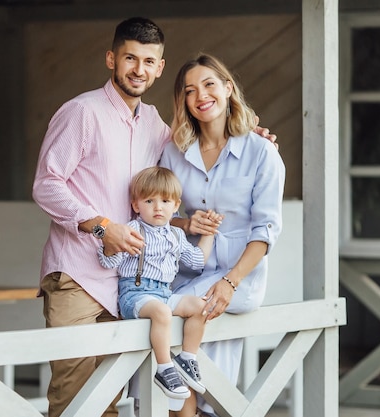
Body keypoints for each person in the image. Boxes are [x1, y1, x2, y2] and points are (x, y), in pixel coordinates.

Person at [33, 16, 275, 417]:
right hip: (78, 275)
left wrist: (253, 139)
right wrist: (101, 226)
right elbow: (46, 184)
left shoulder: (156, 128)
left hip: (130, 283)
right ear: (111, 59)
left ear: (159, 68)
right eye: (130, 58)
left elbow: (185, 160)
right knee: (75, 395)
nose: (138, 70)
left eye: (149, 61)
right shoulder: (81, 112)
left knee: (110, 396)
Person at [159, 53, 286, 417]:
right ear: (183, 101)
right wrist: (185, 224)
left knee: (169, 327)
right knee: (160, 334)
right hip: (186, 270)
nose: (201, 95)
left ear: (228, 88)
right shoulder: (173, 152)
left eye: (210, 84)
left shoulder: (261, 152)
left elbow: (266, 230)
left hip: (237, 278)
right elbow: (157, 213)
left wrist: (230, 282)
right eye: (190, 90)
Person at [97, 166, 222, 404]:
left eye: (165, 201)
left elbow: (196, 261)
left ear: (176, 206)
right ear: (136, 205)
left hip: (164, 293)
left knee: (200, 306)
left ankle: (187, 358)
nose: (158, 207)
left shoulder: (176, 234)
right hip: (135, 294)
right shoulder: (134, 229)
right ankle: (165, 369)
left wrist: (210, 233)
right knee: (162, 312)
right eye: (149, 200)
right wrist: (109, 244)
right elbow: (108, 261)